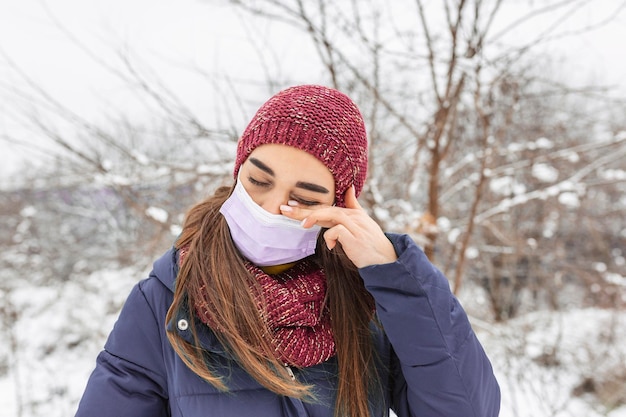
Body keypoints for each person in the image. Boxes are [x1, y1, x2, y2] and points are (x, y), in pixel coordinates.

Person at [75, 85, 500, 417]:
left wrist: (396, 276)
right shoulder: (164, 302)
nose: (270, 207)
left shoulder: (367, 304)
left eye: (306, 197)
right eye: (259, 181)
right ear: (237, 172)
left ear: (341, 206)